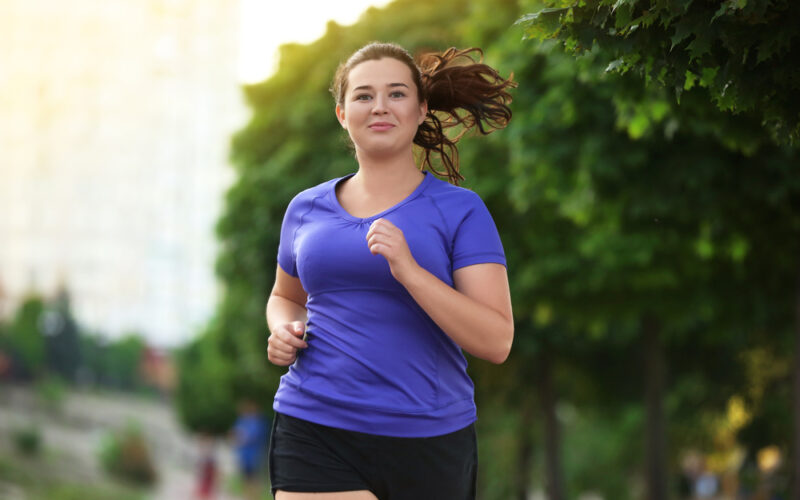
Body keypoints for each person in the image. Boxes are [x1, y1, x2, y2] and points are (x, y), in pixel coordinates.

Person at [265, 42, 516, 500]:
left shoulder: (462, 211)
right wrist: (283, 329)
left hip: (428, 438)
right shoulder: (305, 208)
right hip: (315, 424)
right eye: (363, 96)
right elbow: (285, 296)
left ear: (421, 110)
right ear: (342, 114)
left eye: (396, 94)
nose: (379, 106)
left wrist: (411, 271)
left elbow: (496, 341)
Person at [232, 399, 269, 500]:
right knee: (245, 479)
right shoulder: (242, 421)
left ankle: (254, 497)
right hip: (244, 455)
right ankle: (247, 497)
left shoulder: (257, 422)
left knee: (254, 479)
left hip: (254, 456)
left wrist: (240, 437)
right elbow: (235, 435)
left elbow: (248, 437)